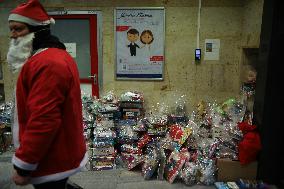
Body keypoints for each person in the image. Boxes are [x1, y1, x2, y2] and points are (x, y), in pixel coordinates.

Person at [6, 0, 88, 188]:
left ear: (37, 30)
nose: (12, 35)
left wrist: (24, 166)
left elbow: (44, 119)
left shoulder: (47, 63)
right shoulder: (52, 56)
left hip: (51, 158)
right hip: (56, 152)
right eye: (11, 29)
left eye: (18, 29)